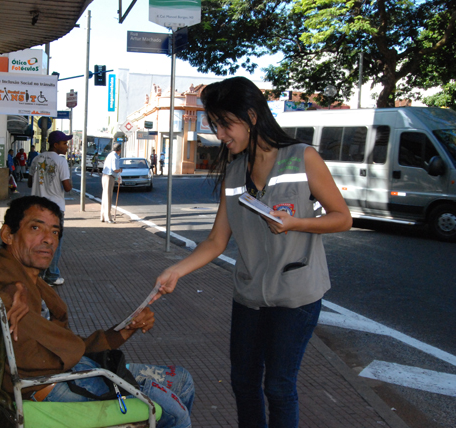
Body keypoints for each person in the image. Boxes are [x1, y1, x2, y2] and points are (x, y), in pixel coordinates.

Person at [151, 77, 352, 428]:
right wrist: (176, 272)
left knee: (278, 386)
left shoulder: (302, 158)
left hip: (295, 294)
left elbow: (342, 218)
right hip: (249, 294)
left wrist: (296, 223)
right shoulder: (233, 172)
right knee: (243, 382)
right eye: (214, 125)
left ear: (251, 116)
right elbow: (216, 241)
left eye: (225, 124)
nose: (219, 134)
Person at [0, 196, 194, 428]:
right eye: (36, 228)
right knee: (174, 414)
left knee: (183, 380)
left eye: (55, 232)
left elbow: (69, 344)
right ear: (8, 234)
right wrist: (6, 293)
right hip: (52, 384)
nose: (48, 239)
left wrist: (129, 327)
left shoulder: (35, 282)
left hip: (74, 367)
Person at [28, 131, 72, 286]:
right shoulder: (61, 161)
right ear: (56, 144)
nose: (67, 146)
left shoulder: (37, 159)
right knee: (54, 243)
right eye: (64, 143)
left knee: (38, 241)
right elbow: (67, 187)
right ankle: (52, 276)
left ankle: (37, 274)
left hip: (37, 207)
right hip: (54, 209)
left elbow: (29, 182)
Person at [100, 143, 122, 223]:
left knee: (104, 196)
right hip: (109, 176)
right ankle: (108, 218)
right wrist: (120, 170)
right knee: (108, 197)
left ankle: (102, 216)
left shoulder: (110, 155)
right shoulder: (115, 156)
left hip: (105, 176)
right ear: (119, 149)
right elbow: (115, 169)